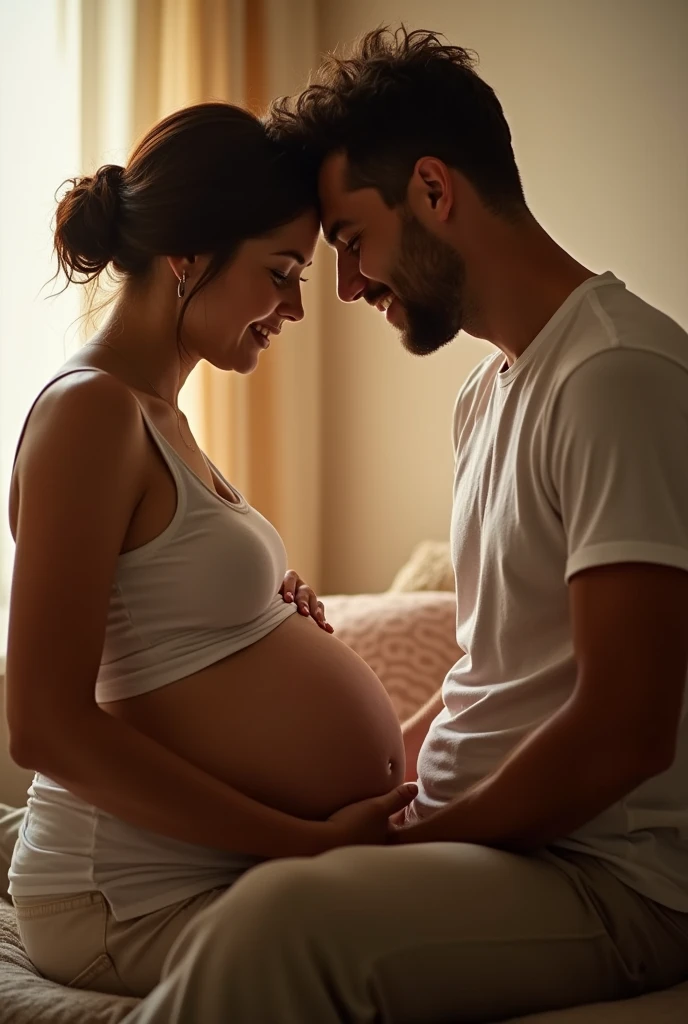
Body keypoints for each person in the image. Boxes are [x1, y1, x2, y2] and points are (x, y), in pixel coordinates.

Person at [122, 26, 688, 1024]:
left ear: (432, 190)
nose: (345, 288)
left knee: (279, 922)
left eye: (348, 241)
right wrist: (379, 793)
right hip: (496, 845)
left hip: (606, 875)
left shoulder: (618, 380)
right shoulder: (487, 394)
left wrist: (419, 836)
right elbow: (497, 677)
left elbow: (622, 732)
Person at [6, 100, 416, 999]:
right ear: (187, 257)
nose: (297, 307)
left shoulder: (159, 420)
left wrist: (268, 618)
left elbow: (163, 649)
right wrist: (308, 841)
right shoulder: (90, 413)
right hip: (119, 897)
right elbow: (42, 722)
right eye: (279, 272)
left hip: (201, 872)